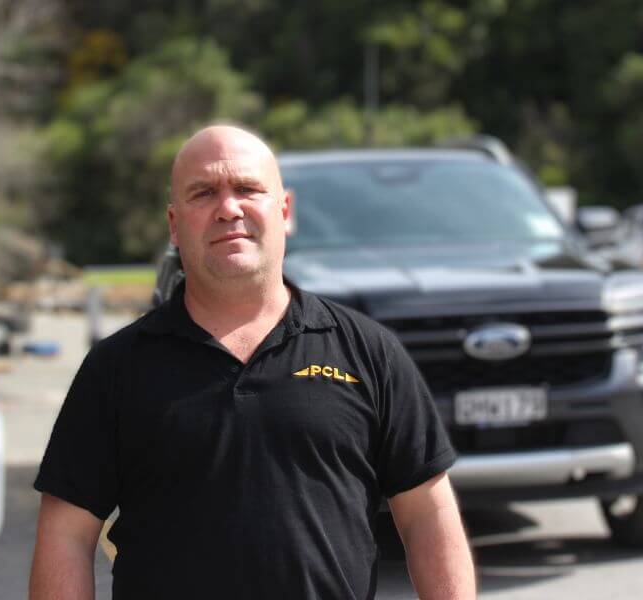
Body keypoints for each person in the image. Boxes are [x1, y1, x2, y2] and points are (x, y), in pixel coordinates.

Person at [29, 125, 476, 599]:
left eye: (247, 189)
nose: (228, 208)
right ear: (174, 225)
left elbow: (427, 515)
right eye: (203, 193)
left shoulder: (369, 352)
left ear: (284, 211)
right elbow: (66, 536)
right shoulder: (115, 369)